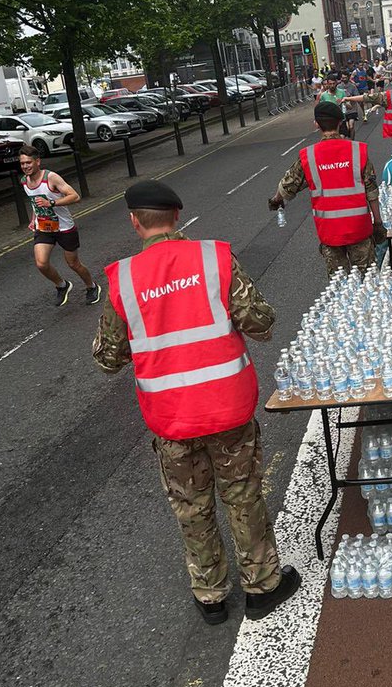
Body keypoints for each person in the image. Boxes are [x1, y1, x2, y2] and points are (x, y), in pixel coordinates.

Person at [92, 179, 300, 625]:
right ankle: (262, 586)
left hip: (171, 419)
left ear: (134, 222)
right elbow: (260, 320)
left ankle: (211, 596)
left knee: (192, 506)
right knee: (242, 496)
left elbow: (109, 359)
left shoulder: (123, 280)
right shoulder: (214, 259)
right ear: (177, 217)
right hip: (227, 408)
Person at [269, 102, 385, 276]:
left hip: (330, 232)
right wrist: (378, 223)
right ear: (341, 122)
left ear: (316, 124)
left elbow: (287, 186)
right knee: (368, 281)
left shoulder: (308, 156)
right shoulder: (357, 151)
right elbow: (372, 191)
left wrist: (276, 200)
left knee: (340, 289)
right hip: (359, 228)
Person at [19, 145, 101, 307]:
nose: (25, 166)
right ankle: (62, 285)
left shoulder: (51, 178)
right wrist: (33, 218)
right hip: (44, 227)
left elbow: (75, 196)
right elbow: (35, 202)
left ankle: (92, 287)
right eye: (22, 163)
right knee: (41, 263)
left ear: (37, 161)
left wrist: (51, 203)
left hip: (64, 227)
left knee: (73, 264)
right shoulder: (24, 181)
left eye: (28, 162)